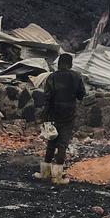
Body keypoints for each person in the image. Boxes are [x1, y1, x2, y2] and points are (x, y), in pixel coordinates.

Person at [38, 53, 86, 185]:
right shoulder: (76, 77)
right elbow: (81, 95)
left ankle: (45, 173)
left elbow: (47, 98)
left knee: (51, 143)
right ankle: (57, 177)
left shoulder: (52, 77)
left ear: (59, 63)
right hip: (69, 116)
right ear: (70, 64)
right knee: (62, 145)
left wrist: (45, 116)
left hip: (53, 115)